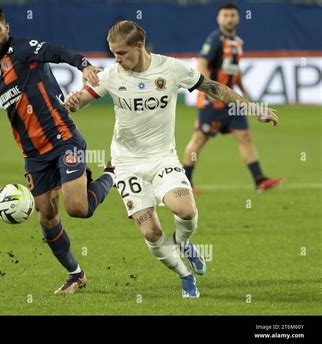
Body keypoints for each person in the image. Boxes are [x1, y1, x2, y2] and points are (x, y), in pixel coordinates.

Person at [64, 20, 278, 298]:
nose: (116, 59)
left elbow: (214, 87)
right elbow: (80, 101)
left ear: (139, 46)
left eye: (121, 53)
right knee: (151, 232)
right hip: (126, 165)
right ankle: (185, 276)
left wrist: (253, 108)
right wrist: (72, 102)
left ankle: (183, 240)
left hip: (163, 158)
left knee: (185, 211)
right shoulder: (111, 76)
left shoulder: (171, 69)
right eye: (112, 53)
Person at [0, 5, 116, 294]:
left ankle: (113, 173)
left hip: (63, 139)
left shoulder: (26, 50)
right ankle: (76, 275)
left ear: (7, 28)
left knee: (77, 208)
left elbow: (58, 52)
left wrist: (84, 64)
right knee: (46, 216)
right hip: (34, 156)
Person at [183, 3, 282, 194]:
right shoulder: (215, 40)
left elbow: (234, 72)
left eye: (232, 15)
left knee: (244, 136)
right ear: (219, 19)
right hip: (212, 102)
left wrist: (245, 96)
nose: (229, 18)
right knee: (198, 140)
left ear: (238, 18)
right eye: (225, 15)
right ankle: (185, 183)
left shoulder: (237, 42)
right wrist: (208, 90)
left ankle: (259, 180)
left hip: (231, 104)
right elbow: (202, 64)